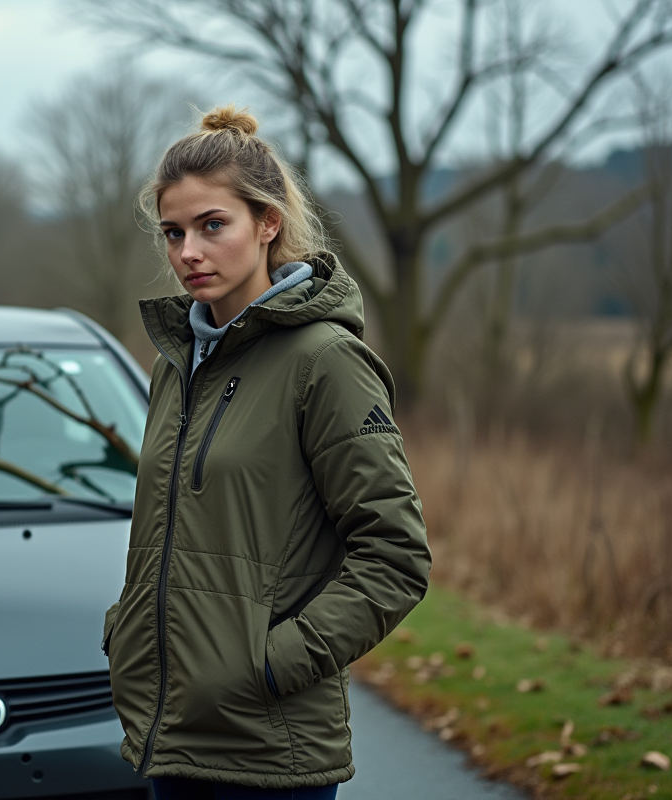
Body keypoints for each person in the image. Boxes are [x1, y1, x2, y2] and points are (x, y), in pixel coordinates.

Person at [101, 106, 432, 800]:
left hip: (270, 748)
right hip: (174, 734)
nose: (188, 250)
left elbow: (395, 557)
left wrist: (268, 665)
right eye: (173, 232)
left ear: (268, 223)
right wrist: (129, 628)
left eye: (211, 225)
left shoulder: (327, 362)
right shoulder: (177, 363)